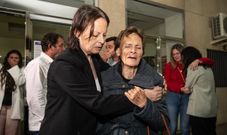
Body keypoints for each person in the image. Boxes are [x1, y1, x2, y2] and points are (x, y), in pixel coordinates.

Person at [40, 5, 148, 135]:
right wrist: (141, 96)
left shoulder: (95, 59)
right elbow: (98, 104)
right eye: (95, 35)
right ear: (77, 32)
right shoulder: (64, 65)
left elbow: (118, 73)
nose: (101, 41)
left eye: (104, 35)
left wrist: (153, 79)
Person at [96, 26, 169, 135]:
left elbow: (163, 124)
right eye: (128, 46)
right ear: (118, 51)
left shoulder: (154, 80)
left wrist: (145, 104)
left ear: (142, 52)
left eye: (138, 47)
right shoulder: (104, 78)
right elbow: (98, 115)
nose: (133, 51)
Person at [164, 43, 214, 135]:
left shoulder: (189, 65)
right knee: (173, 126)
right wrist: (180, 88)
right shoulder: (169, 65)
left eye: (177, 53)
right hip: (172, 96)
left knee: (185, 127)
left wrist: (198, 60)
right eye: (173, 54)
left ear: (182, 54)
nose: (175, 56)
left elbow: (211, 61)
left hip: (186, 97)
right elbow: (167, 83)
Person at [24, 32, 64, 135]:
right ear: (51, 46)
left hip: (51, 123)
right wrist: (48, 119)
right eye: (61, 45)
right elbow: (34, 98)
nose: (63, 49)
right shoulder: (37, 64)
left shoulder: (53, 65)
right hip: (41, 126)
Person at [181, 46, 217, 135]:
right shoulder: (208, 68)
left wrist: (184, 89)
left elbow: (187, 87)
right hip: (211, 109)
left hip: (198, 110)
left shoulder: (193, 68)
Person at [0, 50, 25, 135]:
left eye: (16, 58)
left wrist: (14, 67)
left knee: (11, 131)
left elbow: (20, 81)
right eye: (11, 57)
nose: (14, 60)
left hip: (13, 107)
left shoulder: (22, 70)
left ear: (19, 60)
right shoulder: (1, 69)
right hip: (1, 106)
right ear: (7, 59)